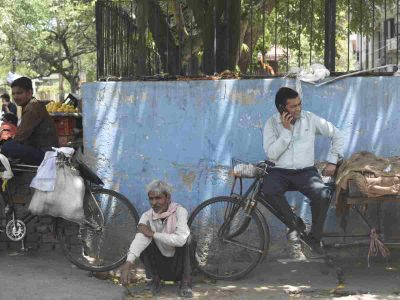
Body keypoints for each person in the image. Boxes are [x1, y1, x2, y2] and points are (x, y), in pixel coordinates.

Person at [262, 87, 344, 258]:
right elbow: (271, 154)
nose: (298, 109)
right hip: (279, 171)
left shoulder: (310, 119)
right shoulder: (271, 123)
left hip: (305, 171)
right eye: (293, 106)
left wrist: (332, 161)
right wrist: (286, 131)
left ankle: (315, 238)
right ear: (281, 108)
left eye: (299, 104)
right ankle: (295, 224)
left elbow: (337, 134)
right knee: (268, 190)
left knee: (322, 195)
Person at [120, 180, 193, 298]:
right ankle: (154, 280)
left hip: (179, 264)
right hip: (160, 266)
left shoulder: (180, 211)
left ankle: (186, 283)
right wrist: (128, 263)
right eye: (151, 199)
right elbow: (139, 239)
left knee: (186, 238)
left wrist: (153, 234)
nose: (154, 203)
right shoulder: (147, 216)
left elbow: (180, 240)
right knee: (143, 237)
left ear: (168, 198)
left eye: (158, 198)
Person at [1, 77, 59, 165]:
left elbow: (20, 137)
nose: (15, 97)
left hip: (46, 154)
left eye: (19, 93)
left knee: (7, 146)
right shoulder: (31, 104)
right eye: (13, 94)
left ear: (29, 93)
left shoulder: (32, 107)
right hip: (44, 151)